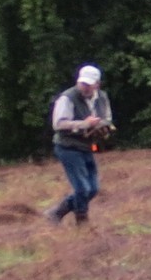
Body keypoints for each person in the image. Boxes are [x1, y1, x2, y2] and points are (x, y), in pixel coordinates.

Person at [47, 65, 114, 225]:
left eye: (89, 84)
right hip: (67, 147)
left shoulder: (102, 97)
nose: (84, 87)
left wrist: (101, 125)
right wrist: (85, 124)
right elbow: (58, 124)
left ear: (97, 84)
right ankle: (82, 220)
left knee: (93, 188)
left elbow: (107, 118)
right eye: (83, 83)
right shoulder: (67, 98)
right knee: (83, 188)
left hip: (86, 146)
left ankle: (57, 212)